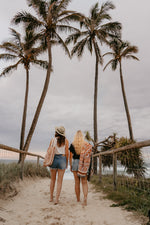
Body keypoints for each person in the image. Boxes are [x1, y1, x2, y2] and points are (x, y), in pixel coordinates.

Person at [69, 130, 92, 206]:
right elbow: (89, 155)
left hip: (75, 162)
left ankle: (78, 199)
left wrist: (71, 165)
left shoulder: (72, 144)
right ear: (82, 136)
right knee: (84, 182)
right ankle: (85, 198)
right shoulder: (85, 144)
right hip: (83, 163)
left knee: (77, 182)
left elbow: (70, 156)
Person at [48, 126, 69, 204]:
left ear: (56, 132)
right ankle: (57, 199)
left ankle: (51, 198)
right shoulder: (66, 141)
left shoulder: (52, 140)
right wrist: (67, 163)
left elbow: (49, 150)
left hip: (54, 159)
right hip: (62, 159)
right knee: (60, 181)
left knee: (52, 180)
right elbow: (67, 152)